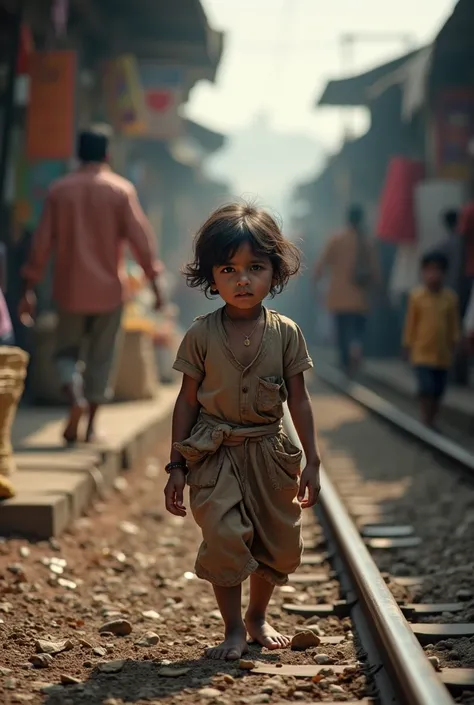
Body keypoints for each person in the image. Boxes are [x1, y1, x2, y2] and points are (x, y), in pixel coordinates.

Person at [164, 203, 320, 661]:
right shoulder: (200, 335)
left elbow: (300, 400)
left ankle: (257, 615)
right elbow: (187, 400)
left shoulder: (287, 333)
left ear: (275, 271)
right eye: (228, 269)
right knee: (226, 537)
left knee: (274, 539)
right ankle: (233, 627)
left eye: (255, 267)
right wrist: (176, 465)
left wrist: (313, 458)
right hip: (214, 453)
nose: (243, 280)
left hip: (270, 452)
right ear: (212, 276)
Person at [18, 129, 162, 444]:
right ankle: (92, 426)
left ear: (78, 154)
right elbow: (142, 241)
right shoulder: (121, 190)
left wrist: (29, 286)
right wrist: (156, 285)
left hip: (69, 290)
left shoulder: (59, 191)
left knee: (65, 353)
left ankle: (74, 396)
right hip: (110, 292)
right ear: (107, 155)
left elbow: (41, 243)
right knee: (102, 357)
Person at [313, 204, 380, 376]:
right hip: (360, 296)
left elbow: (321, 265)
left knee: (342, 331)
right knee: (358, 329)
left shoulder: (337, 239)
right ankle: (356, 350)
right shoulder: (366, 240)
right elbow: (374, 270)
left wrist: (315, 281)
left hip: (339, 296)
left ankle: (345, 362)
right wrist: (379, 290)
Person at [403, 251, 460, 430]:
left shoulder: (450, 298)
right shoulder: (416, 297)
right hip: (422, 352)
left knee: (438, 389)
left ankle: (433, 418)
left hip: (442, 354)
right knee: (426, 387)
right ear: (423, 273)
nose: (433, 275)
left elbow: (453, 325)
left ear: (444, 273)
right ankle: (425, 418)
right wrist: (407, 345)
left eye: (437, 271)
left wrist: (455, 343)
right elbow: (411, 324)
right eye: (429, 270)